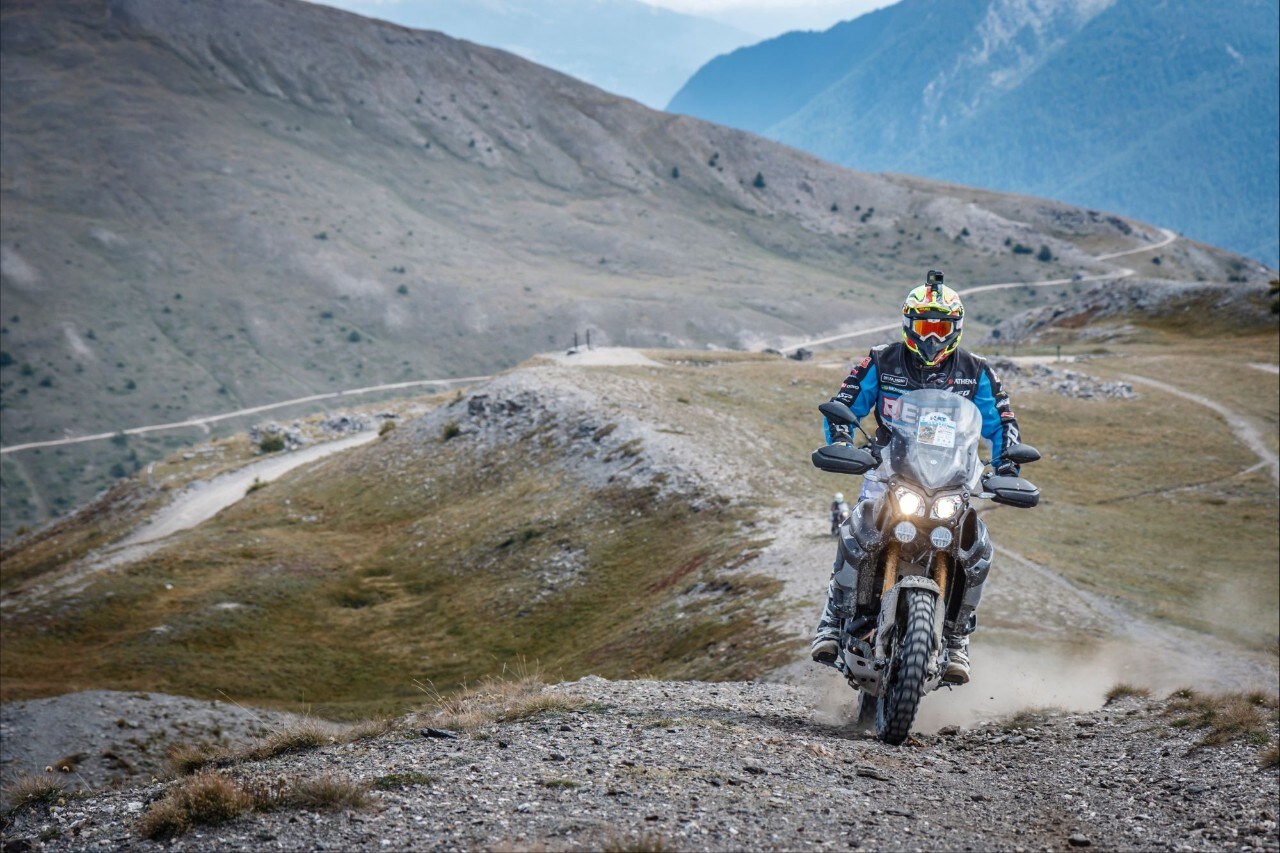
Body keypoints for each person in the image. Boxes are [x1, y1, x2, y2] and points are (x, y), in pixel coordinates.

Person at [810, 270, 1023, 684]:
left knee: (976, 548)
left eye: (940, 327)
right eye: (924, 326)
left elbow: (1002, 421)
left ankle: (958, 636)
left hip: (952, 479)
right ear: (909, 325)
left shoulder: (976, 371)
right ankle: (833, 618)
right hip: (888, 469)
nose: (931, 337)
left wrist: (1007, 464)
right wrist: (841, 438)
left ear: (955, 329)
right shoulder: (881, 359)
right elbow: (846, 402)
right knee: (856, 531)